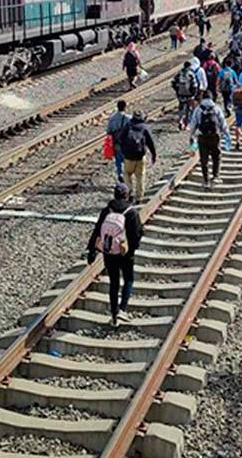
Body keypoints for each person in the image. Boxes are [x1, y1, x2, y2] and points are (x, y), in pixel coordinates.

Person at [87, 183, 142, 326]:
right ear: (126, 195)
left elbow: (97, 230)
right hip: (125, 253)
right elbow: (136, 235)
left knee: (114, 283)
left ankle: (113, 315)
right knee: (128, 279)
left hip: (109, 252)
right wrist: (132, 250)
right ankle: (122, 309)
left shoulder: (107, 211)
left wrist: (92, 250)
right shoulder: (132, 212)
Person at [189, 91, 231, 188]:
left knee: (204, 159)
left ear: (202, 98)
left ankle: (206, 180)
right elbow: (222, 123)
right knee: (216, 156)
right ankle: (215, 176)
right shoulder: (216, 108)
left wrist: (192, 137)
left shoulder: (198, 109)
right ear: (212, 98)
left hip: (202, 137)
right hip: (215, 136)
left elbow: (193, 125)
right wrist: (227, 134)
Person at [119, 111, 157, 202]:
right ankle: (139, 197)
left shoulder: (128, 125)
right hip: (140, 157)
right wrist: (153, 155)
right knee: (140, 176)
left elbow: (120, 139)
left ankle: (129, 191)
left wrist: (124, 151)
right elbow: (150, 143)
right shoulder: (144, 127)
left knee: (126, 174)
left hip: (128, 157)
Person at [106, 100, 130, 182]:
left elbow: (108, 131)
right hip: (126, 143)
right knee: (127, 160)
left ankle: (120, 174)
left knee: (118, 160)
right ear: (125, 107)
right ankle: (126, 176)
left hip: (116, 142)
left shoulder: (112, 118)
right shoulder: (128, 118)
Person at [172, 62, 198, 130]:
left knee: (181, 107)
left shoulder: (179, 73)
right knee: (188, 109)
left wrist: (177, 91)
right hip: (189, 95)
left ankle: (180, 121)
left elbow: (173, 83)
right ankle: (186, 125)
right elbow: (195, 85)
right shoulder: (190, 74)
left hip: (180, 94)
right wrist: (193, 94)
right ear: (189, 66)